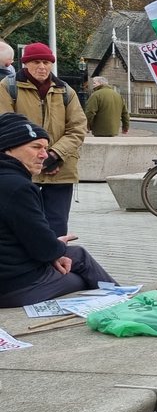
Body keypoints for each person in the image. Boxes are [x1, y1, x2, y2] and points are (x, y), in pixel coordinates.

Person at [0, 113, 114, 306]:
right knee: (81, 277)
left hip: (11, 276)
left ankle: (121, 299)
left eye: (45, 148)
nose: (44, 155)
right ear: (8, 149)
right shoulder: (18, 187)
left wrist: (55, 251)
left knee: (76, 255)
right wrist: (56, 248)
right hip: (15, 287)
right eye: (36, 147)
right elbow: (42, 246)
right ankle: (123, 303)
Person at [0, 42, 86, 237]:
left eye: (47, 62)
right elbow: (6, 126)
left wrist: (55, 155)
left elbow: (77, 128)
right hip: (21, 170)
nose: (42, 67)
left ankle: (55, 263)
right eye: (36, 62)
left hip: (59, 170)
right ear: (25, 64)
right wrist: (37, 157)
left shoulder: (65, 91)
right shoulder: (8, 88)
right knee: (23, 224)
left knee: (57, 225)